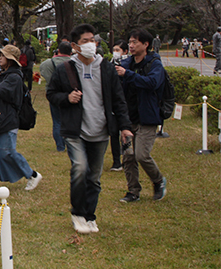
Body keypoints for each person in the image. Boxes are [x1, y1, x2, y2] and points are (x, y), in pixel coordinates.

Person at [47, 23, 133, 234]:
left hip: (101, 130)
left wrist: (125, 127)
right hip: (75, 130)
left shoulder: (106, 67)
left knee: (94, 177)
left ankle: (89, 215)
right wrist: (67, 98)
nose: (90, 45)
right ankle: (77, 213)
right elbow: (51, 94)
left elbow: (118, 99)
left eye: (92, 40)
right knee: (80, 168)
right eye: (85, 41)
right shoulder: (65, 68)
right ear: (75, 46)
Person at [0, 45, 42, 193]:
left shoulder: (14, 77)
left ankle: (32, 175)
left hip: (8, 120)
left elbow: (0, 92)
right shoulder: (3, 75)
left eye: (3, 56)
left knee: (8, 152)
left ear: (10, 60)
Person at [116, 28, 168, 203]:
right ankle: (133, 191)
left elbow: (152, 83)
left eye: (134, 42)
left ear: (146, 45)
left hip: (147, 117)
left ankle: (158, 181)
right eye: (129, 42)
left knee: (141, 155)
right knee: (128, 156)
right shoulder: (126, 63)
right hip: (128, 117)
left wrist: (128, 75)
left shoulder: (154, 64)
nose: (130, 46)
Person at [40, 41, 73, 152]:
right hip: (71, 95)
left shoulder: (49, 63)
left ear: (58, 50)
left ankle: (60, 146)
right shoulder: (73, 62)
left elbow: (42, 69)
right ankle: (71, 145)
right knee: (70, 120)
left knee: (57, 121)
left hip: (54, 95)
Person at [108, 41, 129, 171]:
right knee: (114, 133)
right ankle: (116, 161)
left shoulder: (129, 64)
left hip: (126, 103)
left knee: (126, 132)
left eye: (118, 50)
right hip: (113, 103)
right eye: (114, 49)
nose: (115, 52)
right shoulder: (109, 64)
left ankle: (128, 159)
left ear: (125, 51)